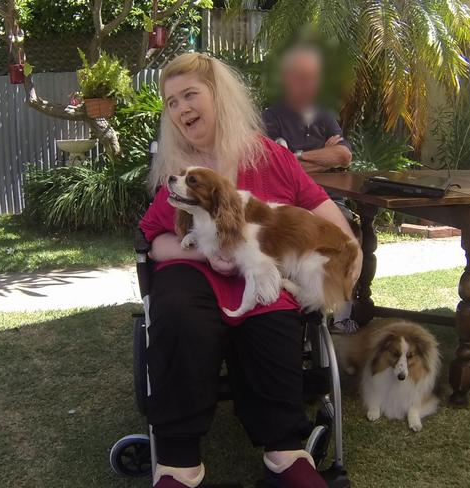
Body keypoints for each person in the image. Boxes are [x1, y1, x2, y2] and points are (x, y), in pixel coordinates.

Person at [140, 52, 362, 488]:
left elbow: (321, 208)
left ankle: (285, 453)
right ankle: (179, 464)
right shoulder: (177, 171)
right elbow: (155, 242)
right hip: (193, 275)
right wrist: (205, 255)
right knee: (180, 314)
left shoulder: (268, 158)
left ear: (217, 96)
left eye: (190, 95)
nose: (181, 108)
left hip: (260, 272)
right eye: (171, 102)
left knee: (274, 315)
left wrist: (350, 249)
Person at [262, 45, 357, 334]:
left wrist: (298, 157)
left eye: (313, 78)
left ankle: (340, 313)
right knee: (301, 238)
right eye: (301, 77)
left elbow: (344, 157)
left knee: (352, 233)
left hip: (331, 202)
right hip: (292, 206)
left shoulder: (325, 115)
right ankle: (303, 310)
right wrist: (321, 158)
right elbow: (277, 165)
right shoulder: (271, 116)